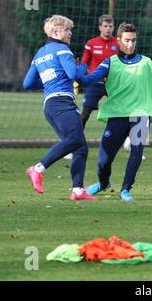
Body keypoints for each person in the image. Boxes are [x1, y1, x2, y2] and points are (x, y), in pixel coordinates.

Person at [77, 22, 152, 202]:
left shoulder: (147, 63)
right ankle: (103, 183)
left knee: (137, 150)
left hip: (141, 114)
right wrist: (76, 71)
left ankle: (125, 189)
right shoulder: (110, 63)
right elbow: (88, 80)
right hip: (116, 115)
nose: (130, 45)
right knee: (103, 161)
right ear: (119, 41)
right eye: (127, 41)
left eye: (133, 41)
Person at [23, 15, 97, 201]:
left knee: (80, 147)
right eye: (67, 29)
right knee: (74, 140)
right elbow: (73, 74)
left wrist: (50, 82)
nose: (70, 32)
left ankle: (78, 191)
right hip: (62, 103)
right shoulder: (63, 49)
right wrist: (82, 68)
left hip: (50, 105)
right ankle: (38, 168)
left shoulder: (39, 54)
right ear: (56, 32)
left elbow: (27, 83)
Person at [80, 14, 119, 128]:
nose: (108, 29)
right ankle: (76, 140)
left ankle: (123, 138)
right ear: (100, 27)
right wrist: (78, 71)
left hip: (114, 84)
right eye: (105, 26)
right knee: (85, 114)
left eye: (110, 26)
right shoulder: (91, 43)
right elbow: (84, 63)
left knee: (122, 113)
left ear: (113, 27)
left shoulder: (119, 43)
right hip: (95, 83)